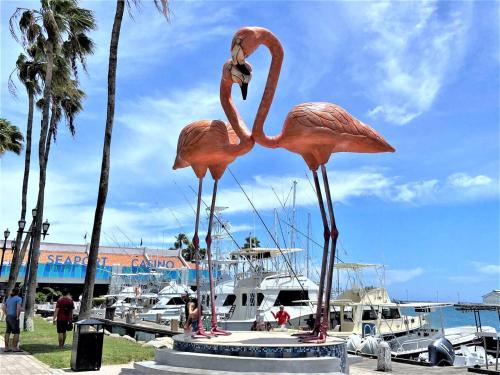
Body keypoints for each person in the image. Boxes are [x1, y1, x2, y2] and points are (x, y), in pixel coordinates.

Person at [3, 287, 22, 352]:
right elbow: (18, 308)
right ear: (18, 292)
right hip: (14, 317)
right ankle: (14, 348)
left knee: (7, 331)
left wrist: (6, 314)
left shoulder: (8, 298)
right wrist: (17, 316)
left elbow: (3, 308)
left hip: (8, 316)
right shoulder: (19, 298)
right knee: (16, 332)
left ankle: (6, 347)